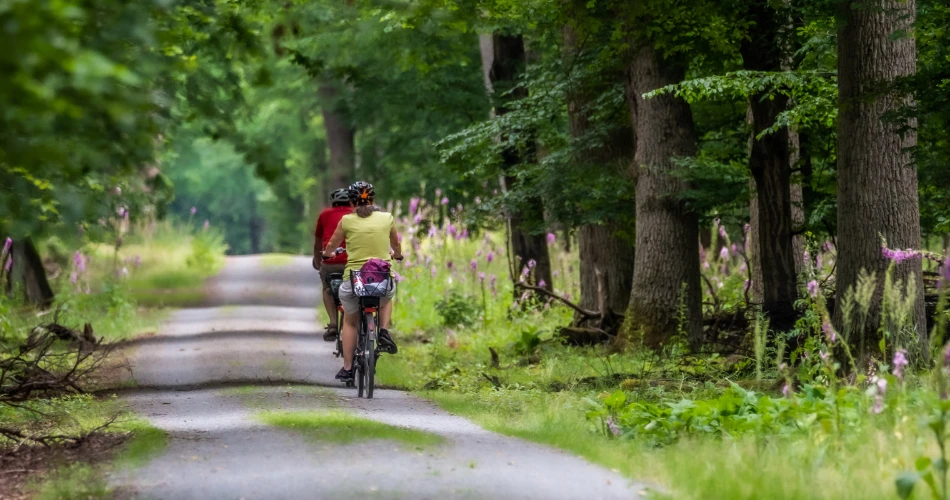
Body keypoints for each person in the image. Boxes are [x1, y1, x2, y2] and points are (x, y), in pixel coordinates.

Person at [321, 181, 401, 382]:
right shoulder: (387, 218)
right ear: (372, 199)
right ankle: (383, 331)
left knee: (350, 320)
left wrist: (328, 254)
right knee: (387, 296)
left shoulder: (346, 220)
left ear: (351, 201)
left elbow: (332, 245)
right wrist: (397, 255)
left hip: (354, 279)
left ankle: (348, 368)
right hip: (380, 278)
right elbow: (396, 244)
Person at [313, 188, 352, 341]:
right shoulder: (355, 215)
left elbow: (318, 242)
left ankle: (334, 324)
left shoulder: (324, 214)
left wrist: (318, 261)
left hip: (331, 263)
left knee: (327, 288)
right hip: (352, 262)